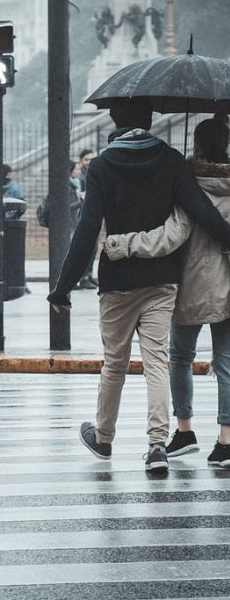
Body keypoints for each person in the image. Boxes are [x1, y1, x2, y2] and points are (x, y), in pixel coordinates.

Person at [47, 99, 230, 475]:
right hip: (162, 280)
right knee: (157, 362)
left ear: (114, 120)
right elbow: (200, 211)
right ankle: (157, 445)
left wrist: (63, 286)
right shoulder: (171, 160)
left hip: (117, 280)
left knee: (114, 363)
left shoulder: (100, 166)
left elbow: (86, 231)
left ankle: (103, 437)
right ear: (150, 120)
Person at [102, 117, 230, 468]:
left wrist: (123, 245)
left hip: (190, 280)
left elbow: (173, 233)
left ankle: (185, 430)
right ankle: (226, 440)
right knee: (226, 363)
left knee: (179, 358)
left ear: (198, 144)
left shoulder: (187, 181)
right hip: (228, 283)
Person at [77, 149, 99, 289]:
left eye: (91, 159)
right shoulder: (79, 177)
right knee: (86, 248)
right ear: (81, 161)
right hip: (83, 216)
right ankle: (84, 277)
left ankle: (88, 275)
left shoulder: (92, 173)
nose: (89, 162)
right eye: (86, 159)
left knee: (94, 247)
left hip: (91, 214)